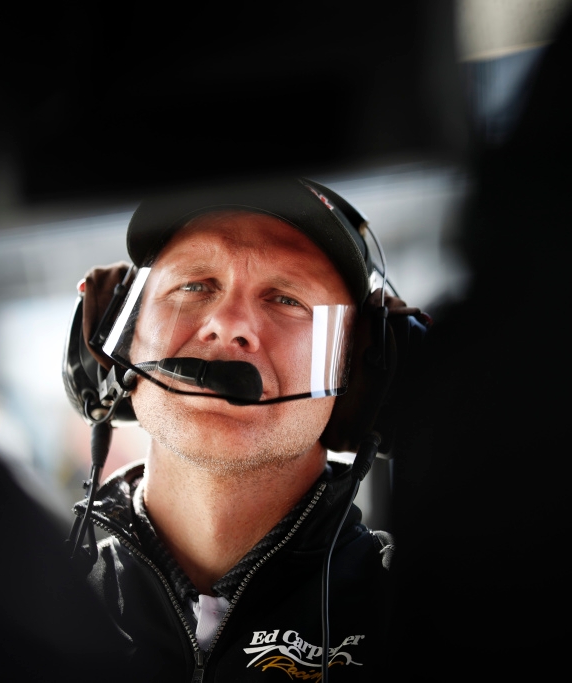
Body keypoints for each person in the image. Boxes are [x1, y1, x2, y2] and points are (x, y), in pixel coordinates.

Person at [61, 177, 426, 681]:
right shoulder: (17, 614)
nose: (229, 323)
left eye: (286, 298)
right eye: (194, 286)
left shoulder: (434, 620)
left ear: (359, 372)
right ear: (118, 339)